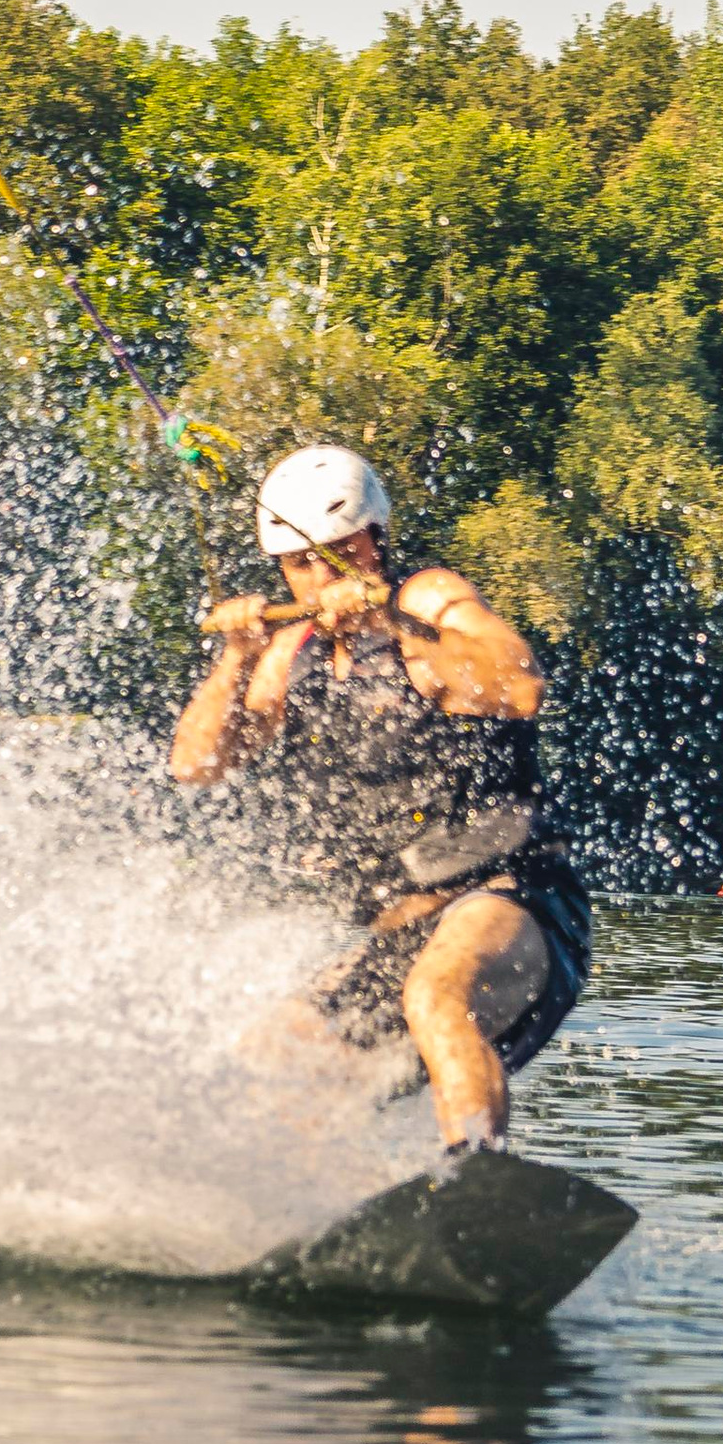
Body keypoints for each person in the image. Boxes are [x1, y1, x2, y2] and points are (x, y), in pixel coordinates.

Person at [168, 443, 591, 1157]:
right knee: (270, 1057)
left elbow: (520, 688)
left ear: (373, 540)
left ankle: (479, 1173)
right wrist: (236, 656)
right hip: (402, 933)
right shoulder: (289, 653)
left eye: (339, 554)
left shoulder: (430, 602)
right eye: (299, 564)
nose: (319, 577)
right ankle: (306, 1200)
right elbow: (195, 764)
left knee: (436, 995)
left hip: (517, 905)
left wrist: (390, 622)